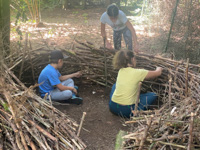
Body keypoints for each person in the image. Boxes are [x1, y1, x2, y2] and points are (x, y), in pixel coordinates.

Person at [109, 50, 162, 118]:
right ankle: (136, 111)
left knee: (114, 86)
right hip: (127, 111)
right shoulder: (138, 73)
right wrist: (159, 68)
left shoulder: (120, 70)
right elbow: (158, 73)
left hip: (113, 107)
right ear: (133, 59)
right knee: (153, 95)